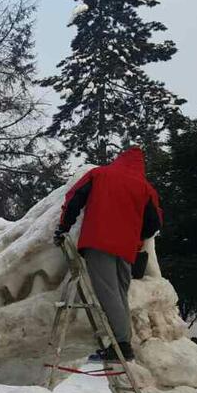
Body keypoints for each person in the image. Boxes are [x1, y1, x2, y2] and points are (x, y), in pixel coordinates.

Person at [55, 146, 162, 361]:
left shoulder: (99, 174)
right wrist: (134, 235)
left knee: (107, 293)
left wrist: (64, 227)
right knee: (119, 293)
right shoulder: (145, 188)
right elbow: (153, 224)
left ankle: (122, 345)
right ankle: (122, 343)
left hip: (99, 240)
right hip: (126, 249)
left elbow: (74, 198)